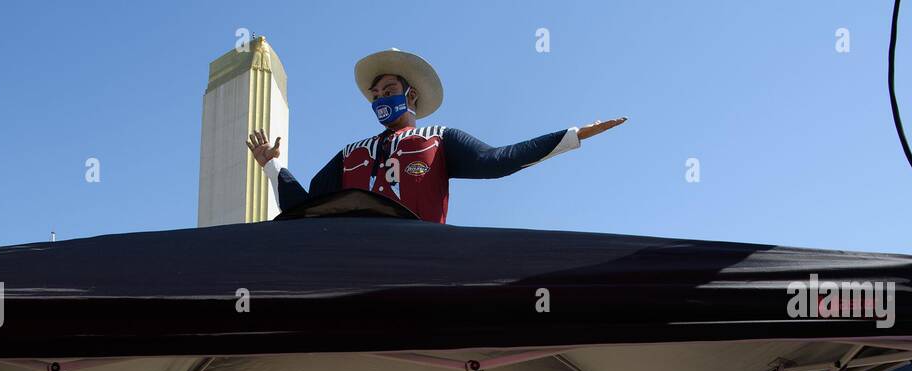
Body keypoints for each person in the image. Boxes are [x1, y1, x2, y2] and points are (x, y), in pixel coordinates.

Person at [247, 47, 627, 224]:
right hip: (357, 262)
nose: (381, 99)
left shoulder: (437, 139)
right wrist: (271, 166)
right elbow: (305, 207)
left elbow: (497, 162)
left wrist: (574, 135)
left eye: (389, 90)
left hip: (420, 256)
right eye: (375, 96)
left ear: (410, 94)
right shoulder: (351, 153)